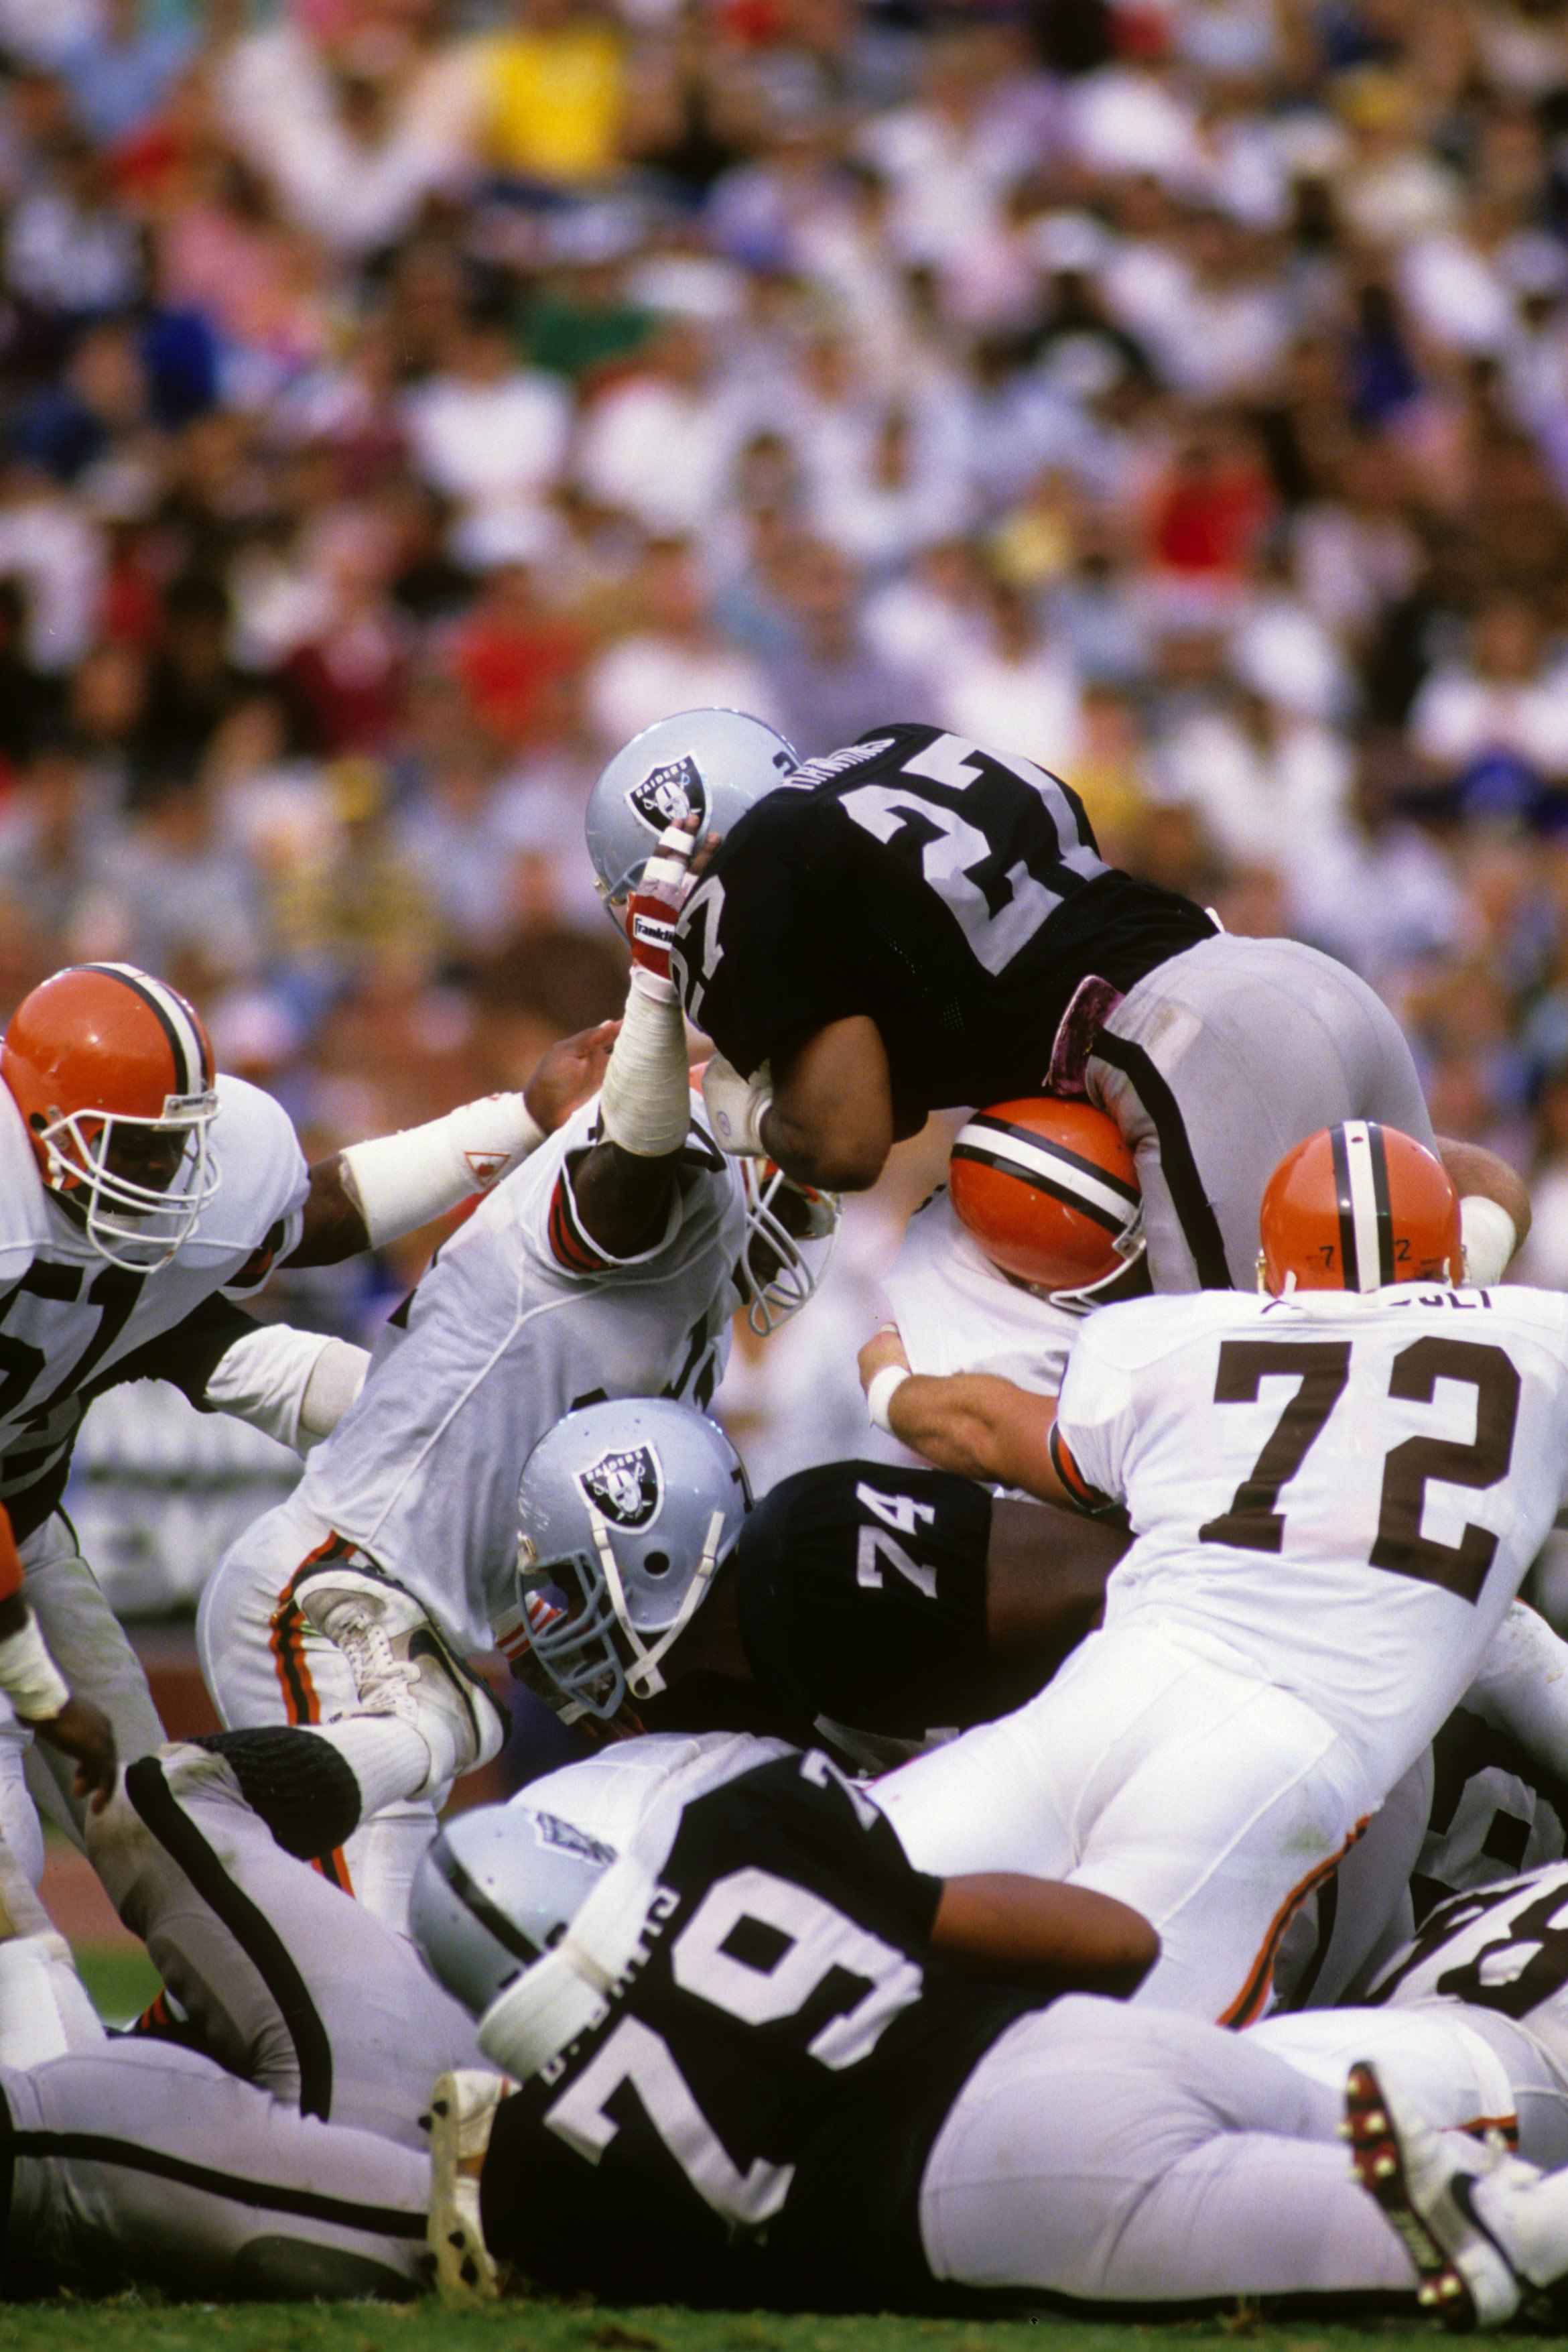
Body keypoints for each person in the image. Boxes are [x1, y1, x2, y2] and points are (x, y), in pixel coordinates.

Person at [198, 819, 836, 1930]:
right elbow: (634, 1159)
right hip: (344, 1605)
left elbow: (478, 1445)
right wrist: (656, 984)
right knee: (369, 2004)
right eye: (790, 1177)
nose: (799, 1207)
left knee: (318, 1997)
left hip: (413, 1631)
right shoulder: (662, 1179)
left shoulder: (683, 1252)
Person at [403, 1727, 1568, 2325]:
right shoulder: (744, 1826)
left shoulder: (551, 2165)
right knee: (1465, 2186)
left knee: (1453, 2246)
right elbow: (1117, 1942)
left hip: (1005, 2192)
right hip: (1075, 2046)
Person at [859, 1121, 1568, 2022]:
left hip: (1119, 1684)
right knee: (1116, 2055)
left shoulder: (1165, 1336)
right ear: (1449, 1264)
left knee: (840, 1882)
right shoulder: (1540, 1342)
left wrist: (887, 1380)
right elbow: (1489, 1188)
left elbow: (984, 1428)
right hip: (1277, 1753)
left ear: (1273, 1273)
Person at [0, 960, 612, 1880]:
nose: (166, 1175)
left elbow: (313, 1216)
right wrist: (39, 1691)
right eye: (136, 1149)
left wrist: (522, 1117)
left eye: (175, 1146)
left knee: (163, 1843)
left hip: (27, 1530)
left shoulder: (151, 1217)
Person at [650, 715, 1527, 1294]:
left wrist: (760, 1116)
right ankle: (1457, 1289)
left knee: (1230, 1427)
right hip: (1299, 983)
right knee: (1444, 1255)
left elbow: (849, 1139)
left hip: (1183, 1049)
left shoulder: (747, 867)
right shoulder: (898, 746)